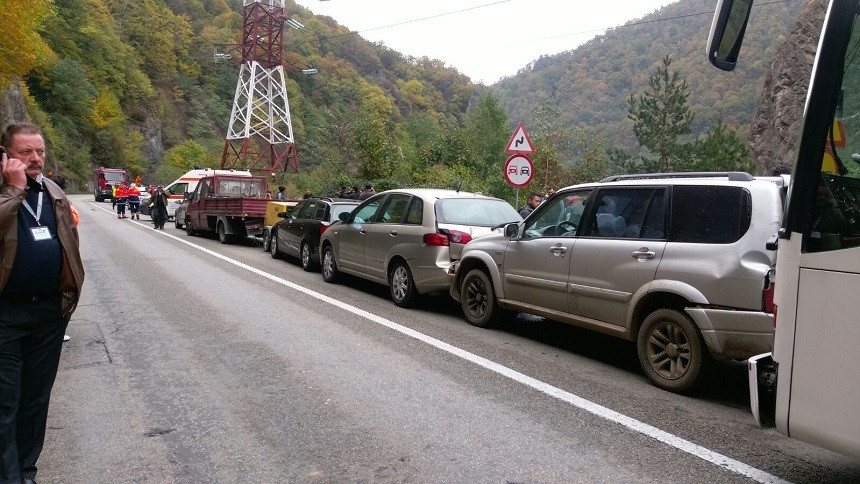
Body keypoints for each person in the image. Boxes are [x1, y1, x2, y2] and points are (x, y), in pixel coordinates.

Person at [0, 122, 85, 484]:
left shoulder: (51, 190)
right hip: (5, 313)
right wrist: (13, 191)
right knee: (5, 403)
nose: (35, 159)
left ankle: (27, 471)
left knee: (36, 400)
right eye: (25, 152)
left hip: (49, 312)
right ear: (6, 155)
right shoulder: (8, 189)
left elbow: (69, 238)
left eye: (39, 151)